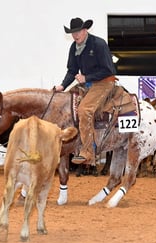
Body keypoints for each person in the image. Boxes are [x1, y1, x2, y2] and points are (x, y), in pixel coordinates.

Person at [54, 17, 117, 165]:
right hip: (87, 83)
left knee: (84, 110)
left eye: (77, 32)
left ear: (84, 30)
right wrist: (62, 86)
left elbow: (109, 70)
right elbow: (72, 71)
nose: (75, 36)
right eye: (73, 33)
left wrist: (87, 77)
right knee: (65, 104)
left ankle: (88, 151)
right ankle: (72, 143)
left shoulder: (99, 44)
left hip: (104, 82)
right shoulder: (74, 48)